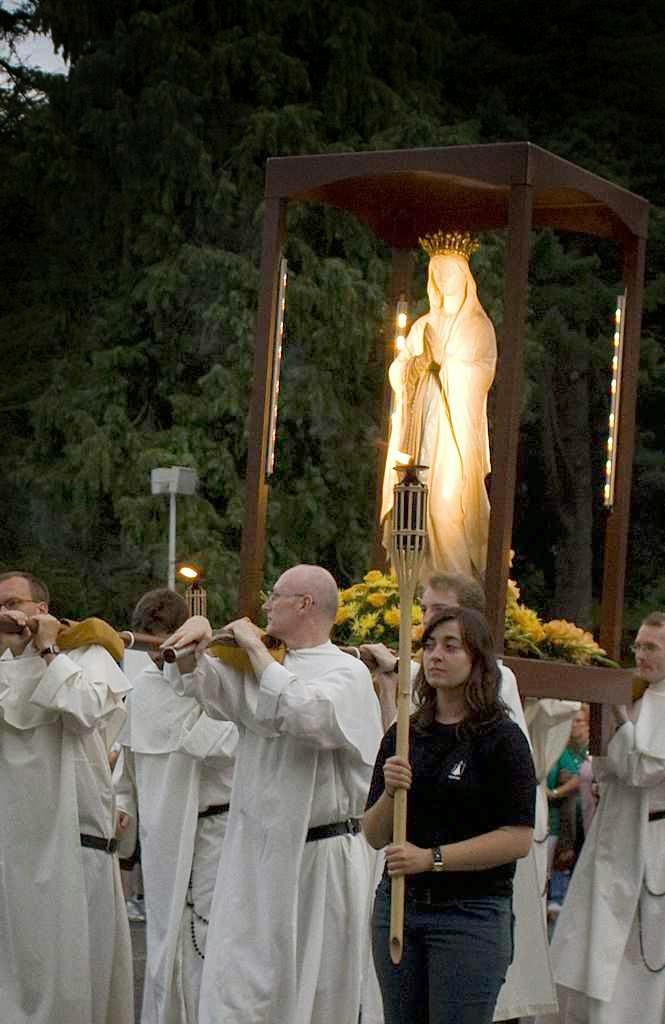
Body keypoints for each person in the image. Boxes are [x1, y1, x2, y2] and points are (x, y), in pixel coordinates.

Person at [162, 564, 384, 1024]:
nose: (264, 605)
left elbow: (309, 716)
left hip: (318, 861)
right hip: (256, 856)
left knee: (311, 991)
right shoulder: (265, 664)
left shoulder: (348, 673)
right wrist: (193, 648)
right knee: (240, 991)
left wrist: (255, 653)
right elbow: (208, 691)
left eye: (275, 596)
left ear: (305, 604)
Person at [364, 570, 558, 1022]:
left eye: (451, 646)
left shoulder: (501, 738)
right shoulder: (406, 734)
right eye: (430, 645)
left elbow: (515, 837)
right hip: (399, 907)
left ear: (477, 658)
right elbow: (374, 834)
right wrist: (392, 792)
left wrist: (430, 858)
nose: (435, 656)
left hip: (470, 916)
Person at [0, 570, 133, 1024]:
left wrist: (47, 649)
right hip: (17, 852)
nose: (5, 612)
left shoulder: (88, 654)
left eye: (13, 602)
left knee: (76, 986)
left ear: (41, 610)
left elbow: (86, 712)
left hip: (77, 849)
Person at [114, 587, 238, 1024]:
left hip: (213, 833)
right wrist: (123, 802)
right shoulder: (142, 690)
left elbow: (233, 740)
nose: (156, 656)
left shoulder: (217, 679)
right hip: (163, 836)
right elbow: (128, 765)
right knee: (166, 939)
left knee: (205, 937)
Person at [544, 612, 665, 1024]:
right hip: (613, 831)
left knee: (633, 952)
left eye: (652, 647)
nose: (641, 655)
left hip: (649, 841)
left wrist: (621, 716)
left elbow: (643, 770)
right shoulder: (635, 694)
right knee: (588, 937)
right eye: (639, 646)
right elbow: (607, 766)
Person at [381, 232, 497, 578]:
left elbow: (481, 372)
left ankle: (457, 587)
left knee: (446, 503)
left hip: (452, 428)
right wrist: (413, 366)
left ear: (465, 279)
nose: (445, 281)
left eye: (452, 274)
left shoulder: (477, 327)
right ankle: (413, 585)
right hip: (419, 425)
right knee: (413, 501)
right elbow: (399, 368)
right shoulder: (422, 325)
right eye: (438, 274)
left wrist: (444, 362)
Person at [545, 705, 590, 916]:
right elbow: (570, 780)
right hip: (561, 821)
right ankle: (557, 895)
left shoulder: (588, 751)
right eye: (572, 721)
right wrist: (557, 791)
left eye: (580, 721)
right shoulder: (560, 751)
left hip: (586, 820)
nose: (575, 726)